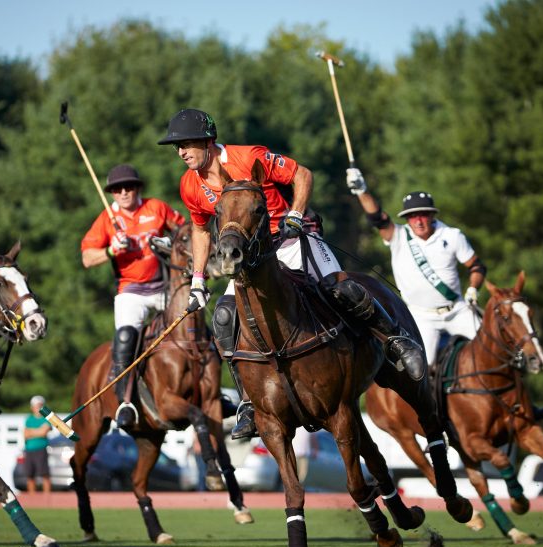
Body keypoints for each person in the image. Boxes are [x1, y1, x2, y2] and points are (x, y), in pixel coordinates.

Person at [158, 109, 426, 439]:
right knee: (225, 318)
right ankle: (247, 401)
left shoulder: (249, 157)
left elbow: (303, 175)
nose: (181, 152)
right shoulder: (189, 185)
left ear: (207, 141)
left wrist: (296, 214)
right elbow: (201, 230)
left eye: (185, 144)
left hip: (287, 238)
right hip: (250, 255)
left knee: (340, 289)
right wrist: (198, 279)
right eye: (177, 147)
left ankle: (396, 341)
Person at [81, 164, 185, 429]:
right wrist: (112, 251)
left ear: (138, 188)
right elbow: (87, 258)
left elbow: (184, 230)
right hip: (131, 292)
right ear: (112, 193)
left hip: (164, 287)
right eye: (118, 189)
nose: (124, 192)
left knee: (195, 326)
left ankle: (214, 392)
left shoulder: (156, 208)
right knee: (125, 337)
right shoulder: (107, 219)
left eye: (129, 187)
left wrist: (171, 244)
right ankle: (125, 402)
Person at [346, 169, 486, 364]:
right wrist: (361, 190)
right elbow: (377, 217)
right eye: (412, 216)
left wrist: (472, 289)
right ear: (407, 218)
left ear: (431, 215)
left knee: (491, 350)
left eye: (423, 215)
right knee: (420, 367)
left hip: (457, 310)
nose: (418, 221)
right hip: (422, 316)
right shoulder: (399, 236)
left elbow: (477, 267)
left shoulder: (452, 235)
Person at [23, 395, 52, 494]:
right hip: (29, 449)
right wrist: (38, 431)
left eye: (40, 405)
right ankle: (32, 499)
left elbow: (43, 432)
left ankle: (47, 499)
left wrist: (32, 432)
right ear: (32, 407)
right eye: (36, 406)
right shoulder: (29, 419)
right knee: (30, 475)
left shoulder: (46, 418)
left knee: (45, 474)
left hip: (41, 449)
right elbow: (25, 434)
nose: (38, 408)